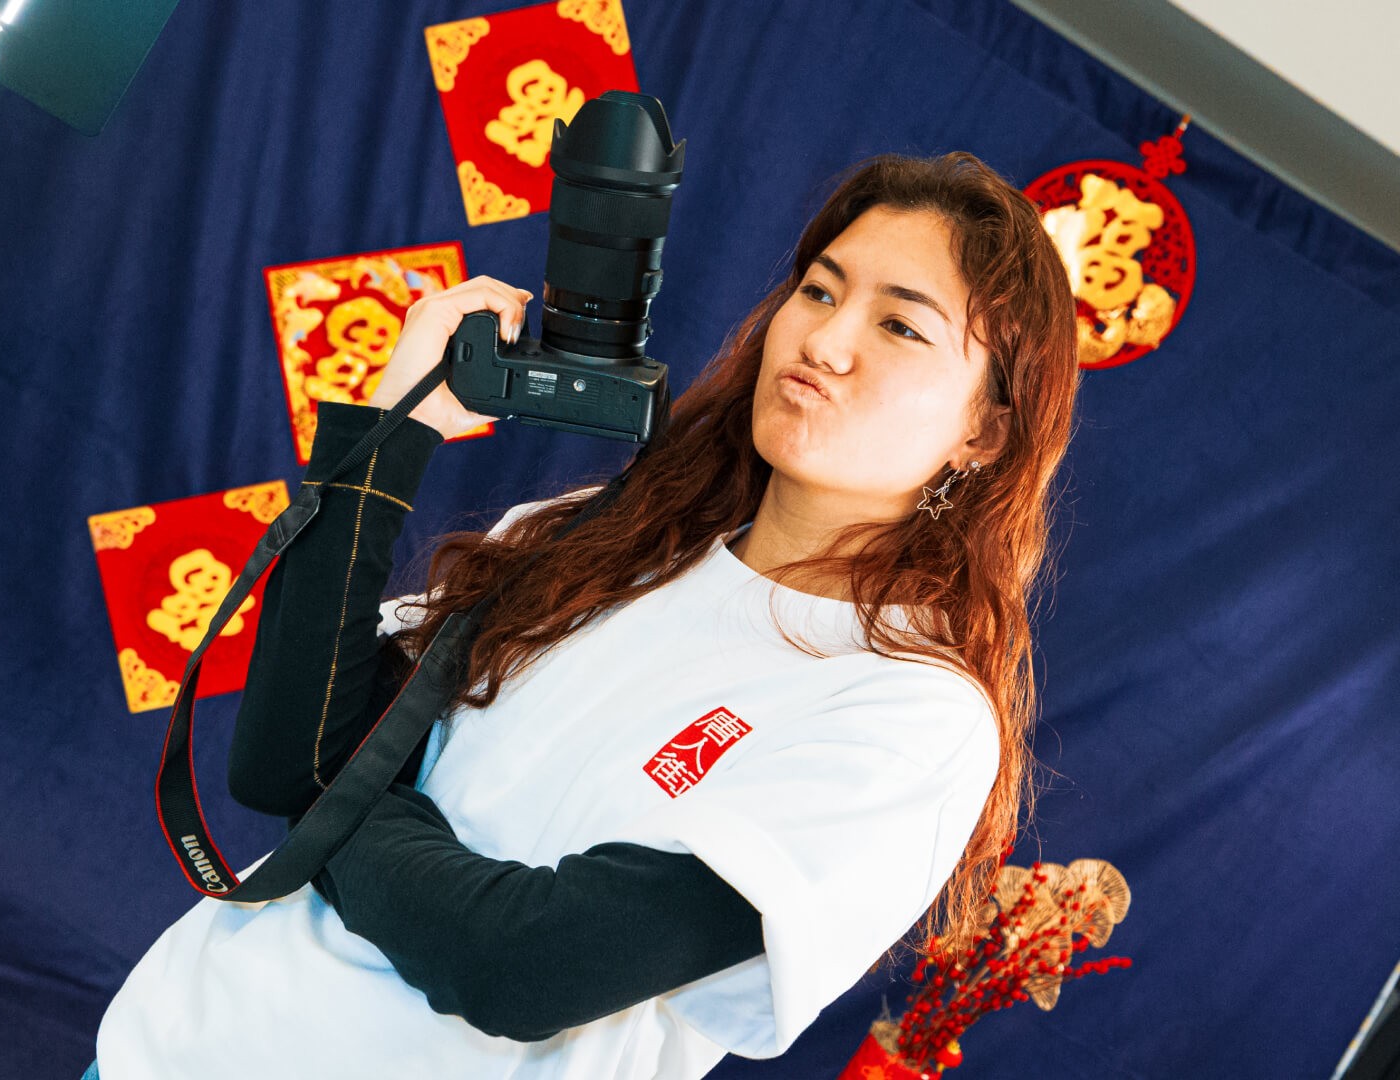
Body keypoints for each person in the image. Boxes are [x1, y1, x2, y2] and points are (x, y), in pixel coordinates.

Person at [91, 150, 1080, 1080]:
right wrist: (394, 432)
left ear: (987, 430)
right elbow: (280, 758)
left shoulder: (910, 717)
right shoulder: (598, 540)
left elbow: (520, 967)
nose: (824, 341)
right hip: (170, 1041)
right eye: (819, 290)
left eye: (900, 326)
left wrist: (338, 803)